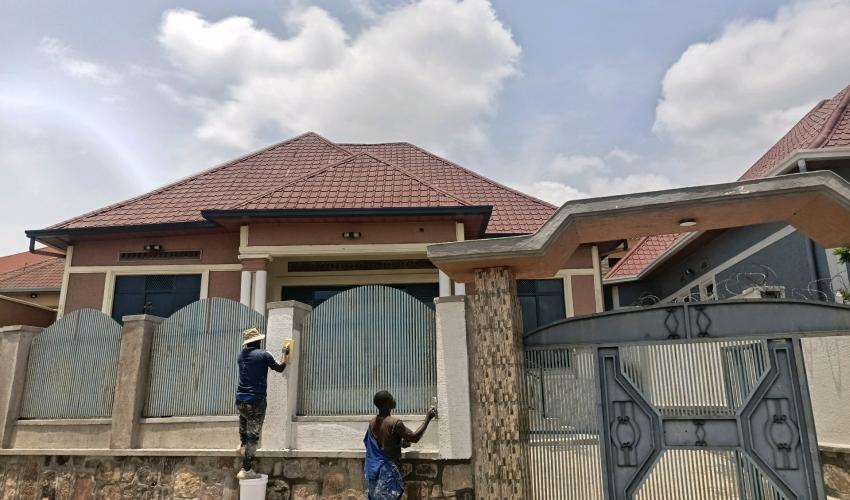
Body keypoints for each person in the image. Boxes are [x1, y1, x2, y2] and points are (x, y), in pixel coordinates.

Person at [235, 327, 288, 479]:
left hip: (240, 398)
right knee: (254, 435)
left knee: (243, 420)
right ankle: (246, 469)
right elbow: (280, 367)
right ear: (258, 341)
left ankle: (242, 445)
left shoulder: (241, 355)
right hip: (256, 400)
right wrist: (285, 354)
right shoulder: (264, 354)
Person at [364, 390, 437, 500]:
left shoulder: (372, 422)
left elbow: (375, 444)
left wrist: (397, 443)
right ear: (386, 403)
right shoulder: (394, 423)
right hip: (386, 473)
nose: (394, 399)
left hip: (373, 471)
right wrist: (428, 418)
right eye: (391, 398)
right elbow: (414, 437)